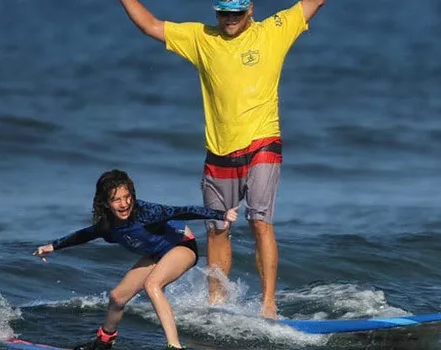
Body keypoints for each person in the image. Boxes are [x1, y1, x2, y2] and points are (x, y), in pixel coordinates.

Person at [116, 0, 326, 319]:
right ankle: (217, 305)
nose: (229, 19)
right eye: (223, 13)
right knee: (217, 228)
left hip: (263, 144)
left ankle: (268, 305)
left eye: (236, 13)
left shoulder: (275, 31)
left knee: (259, 221)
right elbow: (150, 25)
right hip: (219, 154)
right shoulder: (201, 38)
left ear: (250, 9)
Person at [33, 169, 238, 350]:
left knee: (152, 284)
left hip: (182, 245)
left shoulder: (146, 213)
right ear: (105, 203)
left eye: (127, 197)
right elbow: (85, 234)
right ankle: (104, 342)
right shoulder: (107, 226)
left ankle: (174, 346)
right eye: (116, 199)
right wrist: (53, 246)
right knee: (117, 297)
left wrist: (221, 215)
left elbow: (183, 211)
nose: (124, 204)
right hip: (157, 253)